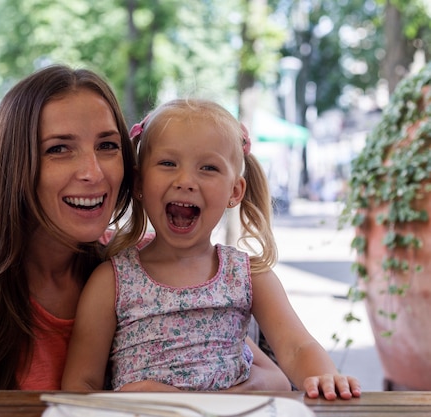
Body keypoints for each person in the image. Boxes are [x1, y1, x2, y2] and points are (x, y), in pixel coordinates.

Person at [0, 65, 287, 390]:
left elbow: (259, 369)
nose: (93, 172)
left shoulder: (154, 264)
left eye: (107, 146)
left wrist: (205, 396)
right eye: (59, 149)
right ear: (16, 167)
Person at [62, 98, 362, 400]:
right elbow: (80, 384)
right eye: (168, 163)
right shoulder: (111, 281)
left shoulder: (248, 274)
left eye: (208, 168)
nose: (186, 181)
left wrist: (324, 377)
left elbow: (297, 348)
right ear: (139, 182)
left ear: (235, 191)